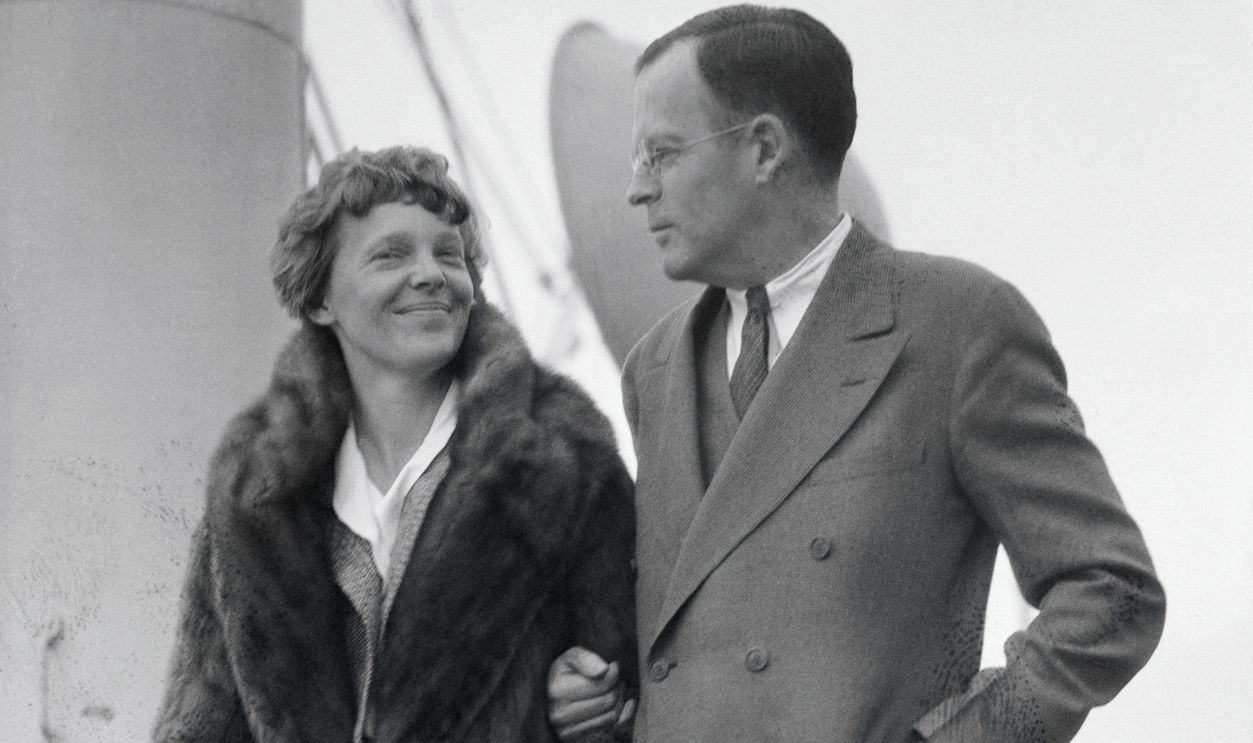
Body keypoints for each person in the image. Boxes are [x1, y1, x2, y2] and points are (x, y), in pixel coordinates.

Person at [547, 5, 1164, 742]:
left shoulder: (958, 321)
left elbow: (1112, 590)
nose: (635, 190)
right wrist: (588, 696)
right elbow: (689, 639)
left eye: (663, 153)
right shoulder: (653, 368)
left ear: (764, 149)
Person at [153, 145, 636, 742]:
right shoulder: (256, 487)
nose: (431, 274)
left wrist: (596, 704)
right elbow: (200, 720)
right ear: (321, 299)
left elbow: (643, 675)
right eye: (390, 255)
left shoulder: (564, 459)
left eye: (449, 254)